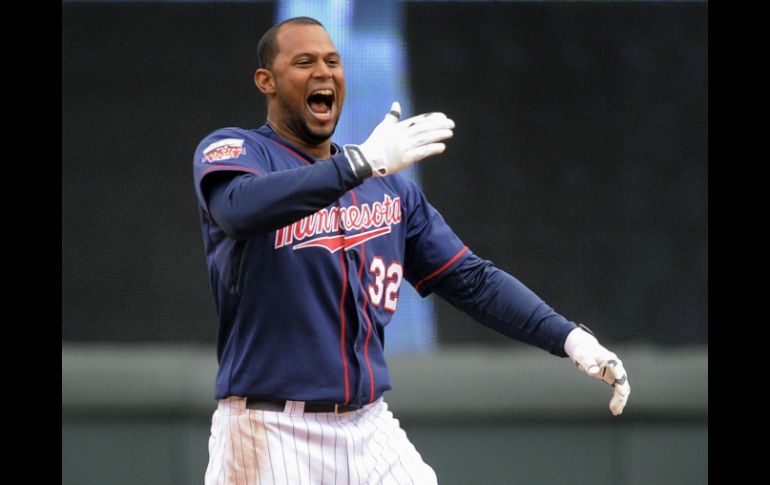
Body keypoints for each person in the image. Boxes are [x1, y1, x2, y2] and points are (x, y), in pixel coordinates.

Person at [193, 16, 630, 485]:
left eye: (332, 61)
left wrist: (569, 338)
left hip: (368, 425)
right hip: (270, 428)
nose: (323, 71)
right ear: (268, 81)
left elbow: (471, 279)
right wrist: (362, 163)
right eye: (304, 62)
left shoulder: (388, 191)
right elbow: (237, 209)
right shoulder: (237, 149)